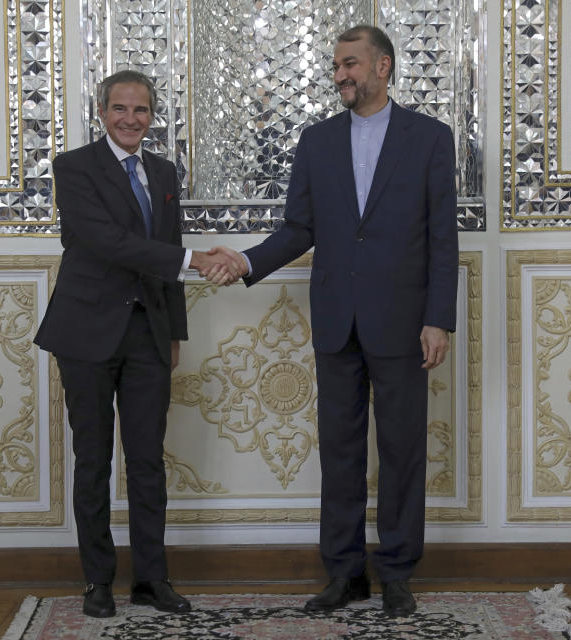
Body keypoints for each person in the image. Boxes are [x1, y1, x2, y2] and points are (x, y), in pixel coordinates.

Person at [210, 25, 458, 617]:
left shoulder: (430, 138)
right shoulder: (316, 142)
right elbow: (300, 228)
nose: (341, 75)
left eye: (351, 64)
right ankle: (344, 574)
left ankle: (397, 572)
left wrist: (438, 318)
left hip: (403, 321)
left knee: (401, 451)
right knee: (340, 453)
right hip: (336, 322)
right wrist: (245, 260)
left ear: (383, 67)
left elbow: (441, 237)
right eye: (336, 66)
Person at [34, 70, 240, 618]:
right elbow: (108, 243)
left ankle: (152, 579)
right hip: (85, 335)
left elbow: (164, 246)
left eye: (141, 110)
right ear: (101, 111)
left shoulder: (164, 172)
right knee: (94, 460)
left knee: (148, 461)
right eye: (120, 108)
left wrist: (173, 331)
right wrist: (196, 260)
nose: (131, 119)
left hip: (148, 335)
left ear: (153, 116)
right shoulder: (73, 168)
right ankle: (97, 581)